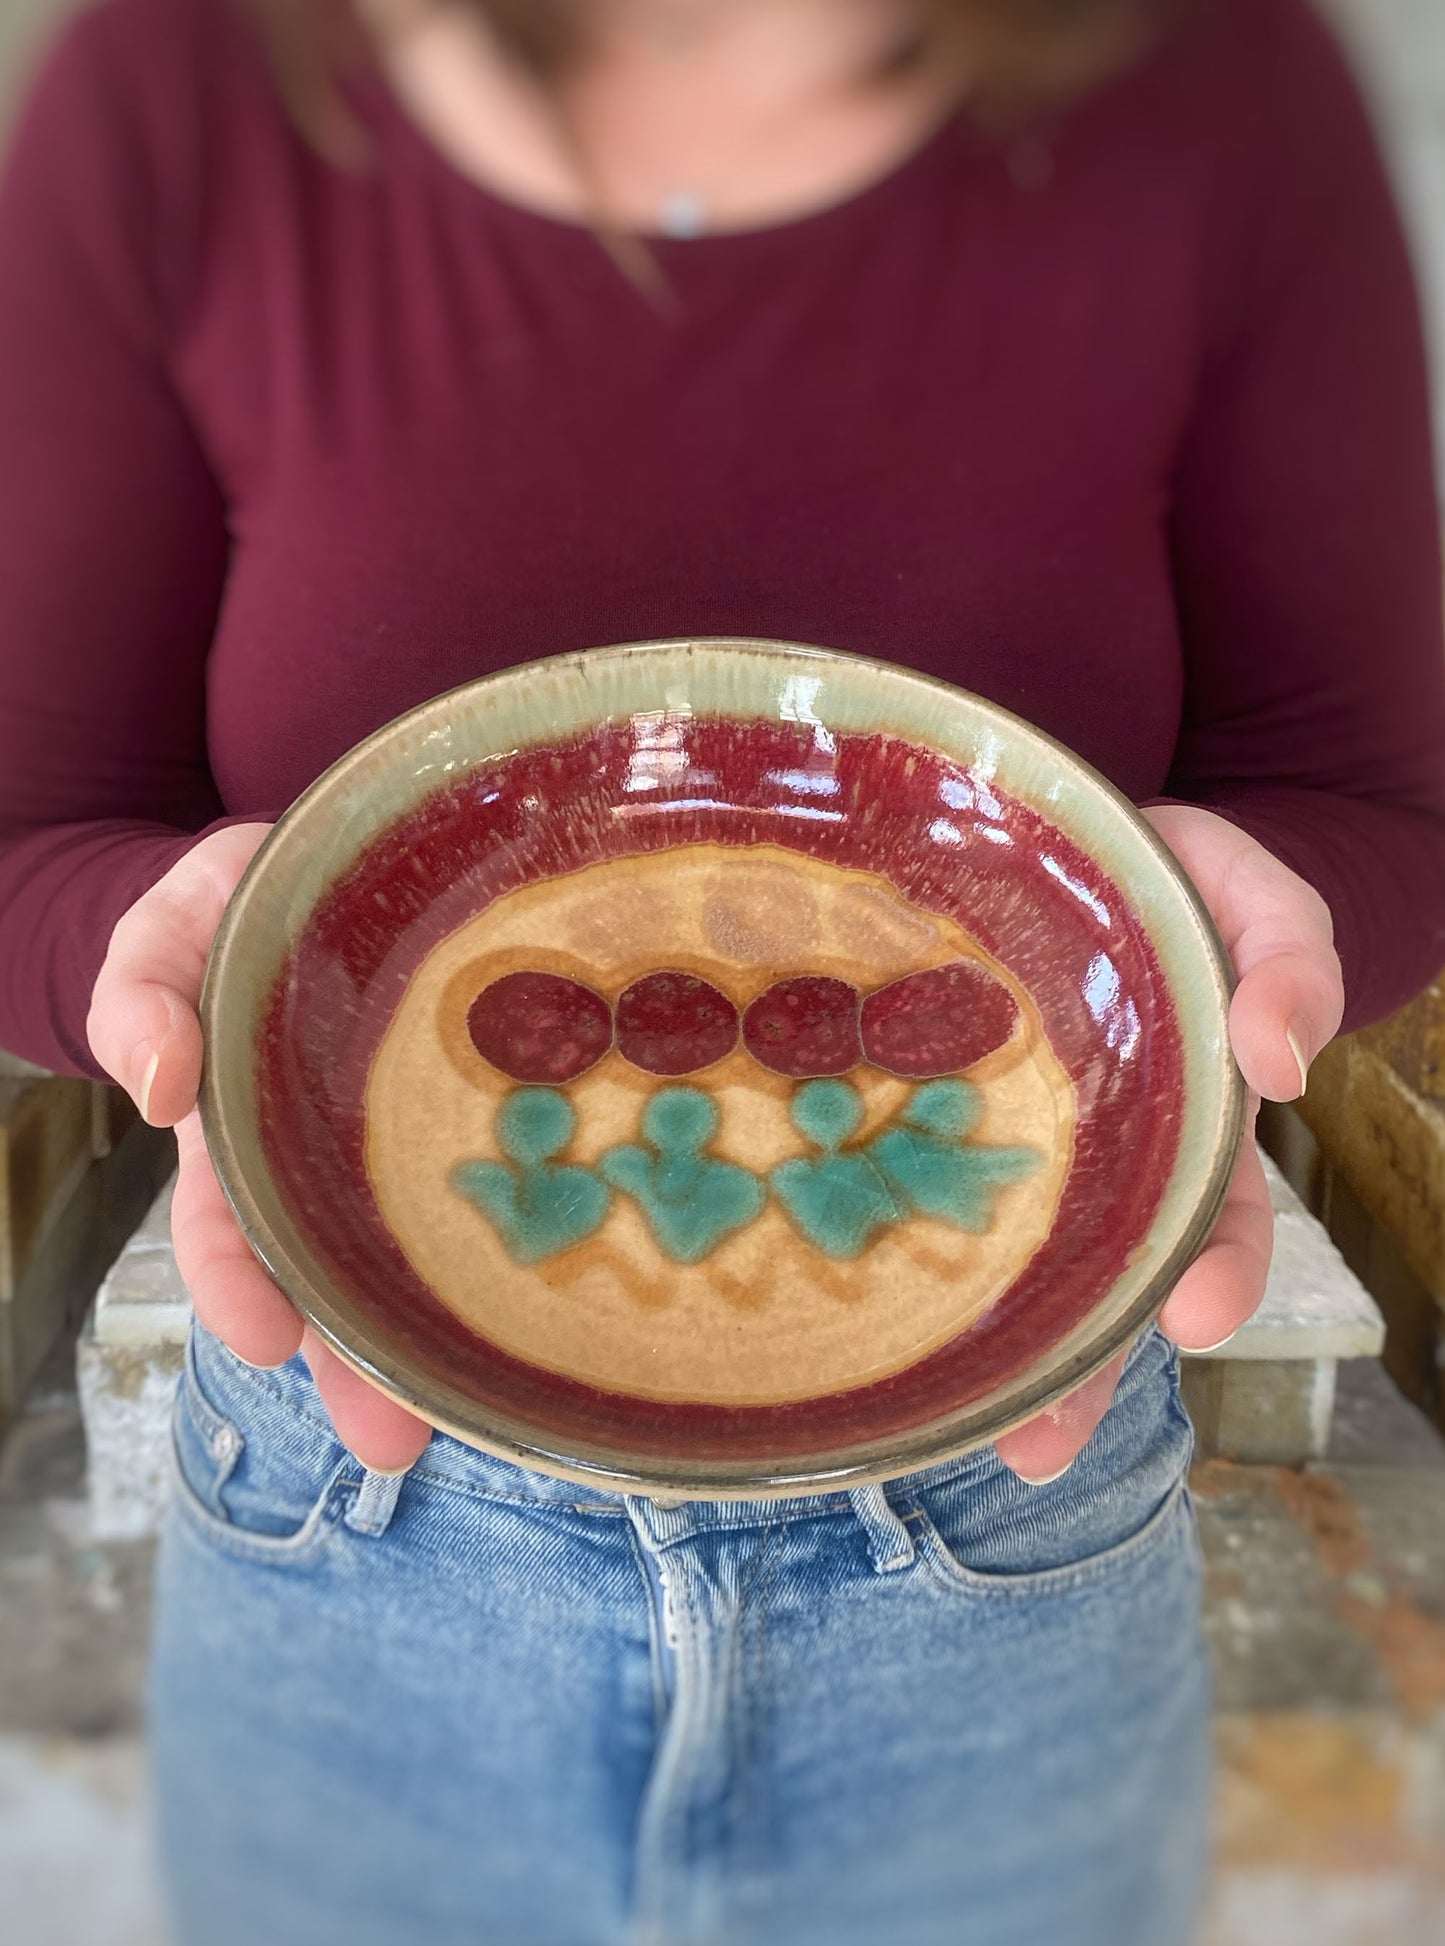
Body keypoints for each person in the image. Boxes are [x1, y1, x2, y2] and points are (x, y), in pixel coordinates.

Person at [1, 0, 1442, 1939]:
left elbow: (1374, 798)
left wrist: (1202, 925)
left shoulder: (1218, 81)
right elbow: (32, 828)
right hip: (357, 1526)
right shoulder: (181, 81)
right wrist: (169, 938)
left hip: (1011, 1533)